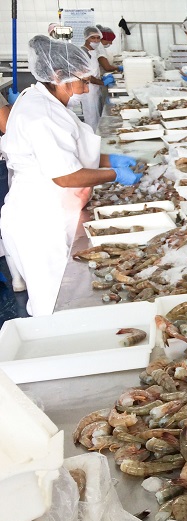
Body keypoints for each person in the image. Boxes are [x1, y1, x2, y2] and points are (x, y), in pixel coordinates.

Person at [1, 36, 142, 316]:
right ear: (59, 76)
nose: (87, 84)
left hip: (52, 209)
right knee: (52, 303)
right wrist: (113, 173)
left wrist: (108, 159)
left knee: (59, 296)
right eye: (83, 78)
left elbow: (70, 153)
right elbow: (65, 176)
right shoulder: (41, 114)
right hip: (40, 220)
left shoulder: (47, 102)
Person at [78, 26, 115, 131]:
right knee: (91, 117)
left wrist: (102, 79)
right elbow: (85, 76)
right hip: (88, 90)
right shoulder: (83, 52)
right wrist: (102, 82)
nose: (96, 41)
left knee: (97, 115)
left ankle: (98, 136)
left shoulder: (93, 51)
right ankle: (93, 140)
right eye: (93, 38)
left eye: (98, 38)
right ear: (86, 38)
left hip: (95, 88)